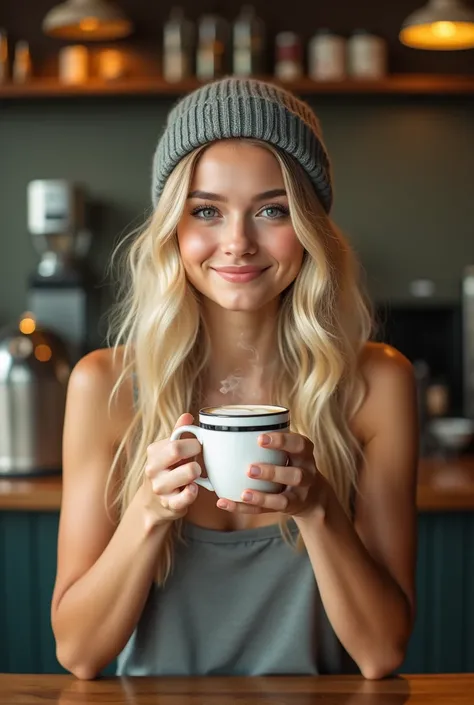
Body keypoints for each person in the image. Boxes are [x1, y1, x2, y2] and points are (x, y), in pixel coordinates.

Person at [51, 77, 418, 681]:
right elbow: (80, 654)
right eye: (206, 211)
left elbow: (382, 654)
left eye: (272, 210)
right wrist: (149, 511)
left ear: (309, 228)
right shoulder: (104, 385)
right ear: (174, 226)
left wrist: (319, 507)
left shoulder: (377, 383)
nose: (238, 243)